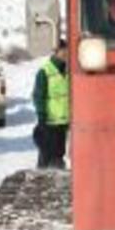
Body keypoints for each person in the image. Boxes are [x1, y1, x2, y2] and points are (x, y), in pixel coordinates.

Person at [32, 40, 69, 169]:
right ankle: (41, 179)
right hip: (49, 121)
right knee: (46, 154)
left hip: (63, 122)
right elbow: (38, 96)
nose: (66, 53)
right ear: (56, 52)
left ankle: (58, 175)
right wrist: (41, 115)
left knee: (59, 154)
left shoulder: (68, 70)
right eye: (63, 51)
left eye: (67, 51)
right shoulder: (45, 71)